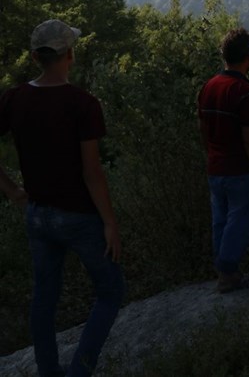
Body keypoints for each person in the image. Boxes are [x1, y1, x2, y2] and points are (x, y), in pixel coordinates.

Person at [0, 20, 126, 376]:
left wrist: (12, 191)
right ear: (68, 54)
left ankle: (48, 370)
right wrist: (110, 223)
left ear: (38, 57)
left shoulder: (14, 98)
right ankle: (79, 372)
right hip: (80, 217)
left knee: (44, 297)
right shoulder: (82, 104)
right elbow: (91, 172)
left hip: (38, 214)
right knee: (111, 291)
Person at [197, 27, 249, 293]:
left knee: (220, 221)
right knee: (239, 222)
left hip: (216, 168)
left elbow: (204, 130)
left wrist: (212, 155)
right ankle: (228, 274)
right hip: (240, 170)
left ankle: (223, 272)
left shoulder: (208, 87)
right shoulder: (245, 93)